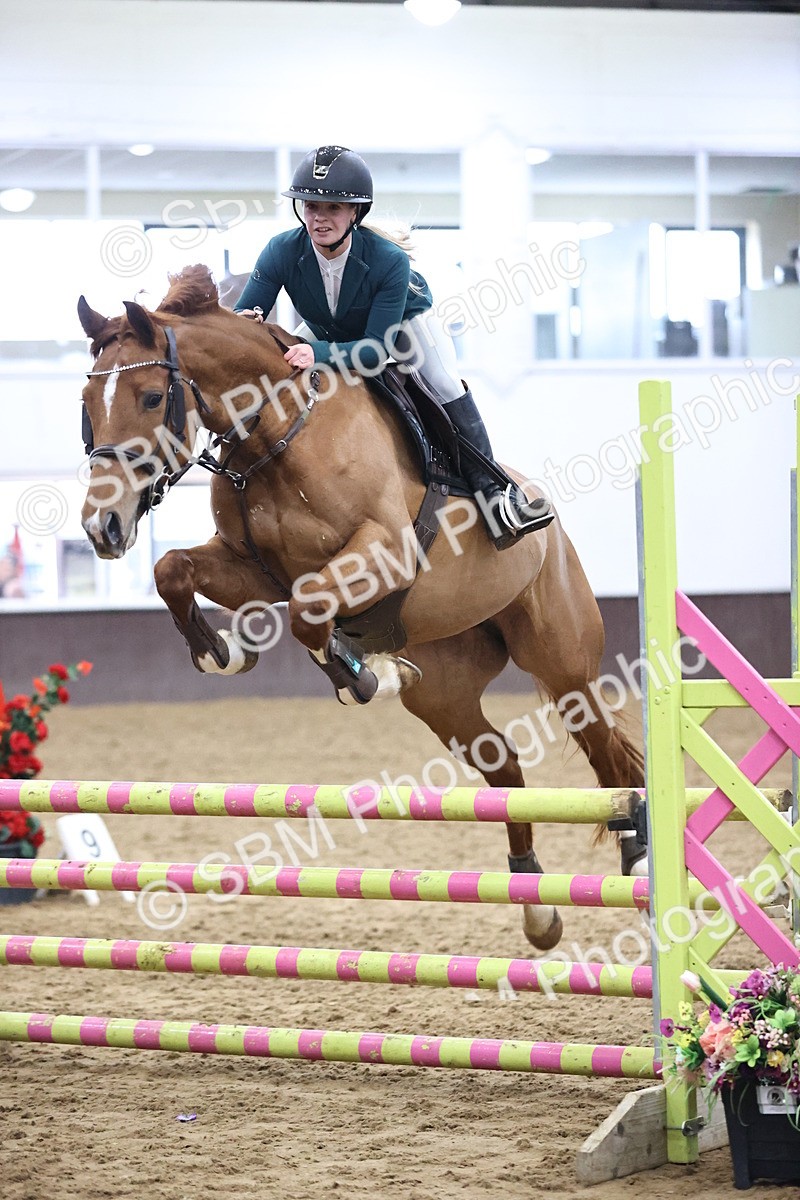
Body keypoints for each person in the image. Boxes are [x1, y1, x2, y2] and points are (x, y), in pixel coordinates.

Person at [235, 145, 552, 549]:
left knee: (443, 382)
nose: (319, 217)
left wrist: (318, 355)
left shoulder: (388, 260)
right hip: (329, 329)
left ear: (355, 213)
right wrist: (245, 324)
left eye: (333, 207)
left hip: (401, 329)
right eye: (311, 206)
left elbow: (372, 354)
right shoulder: (281, 249)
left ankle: (495, 496)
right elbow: (247, 315)